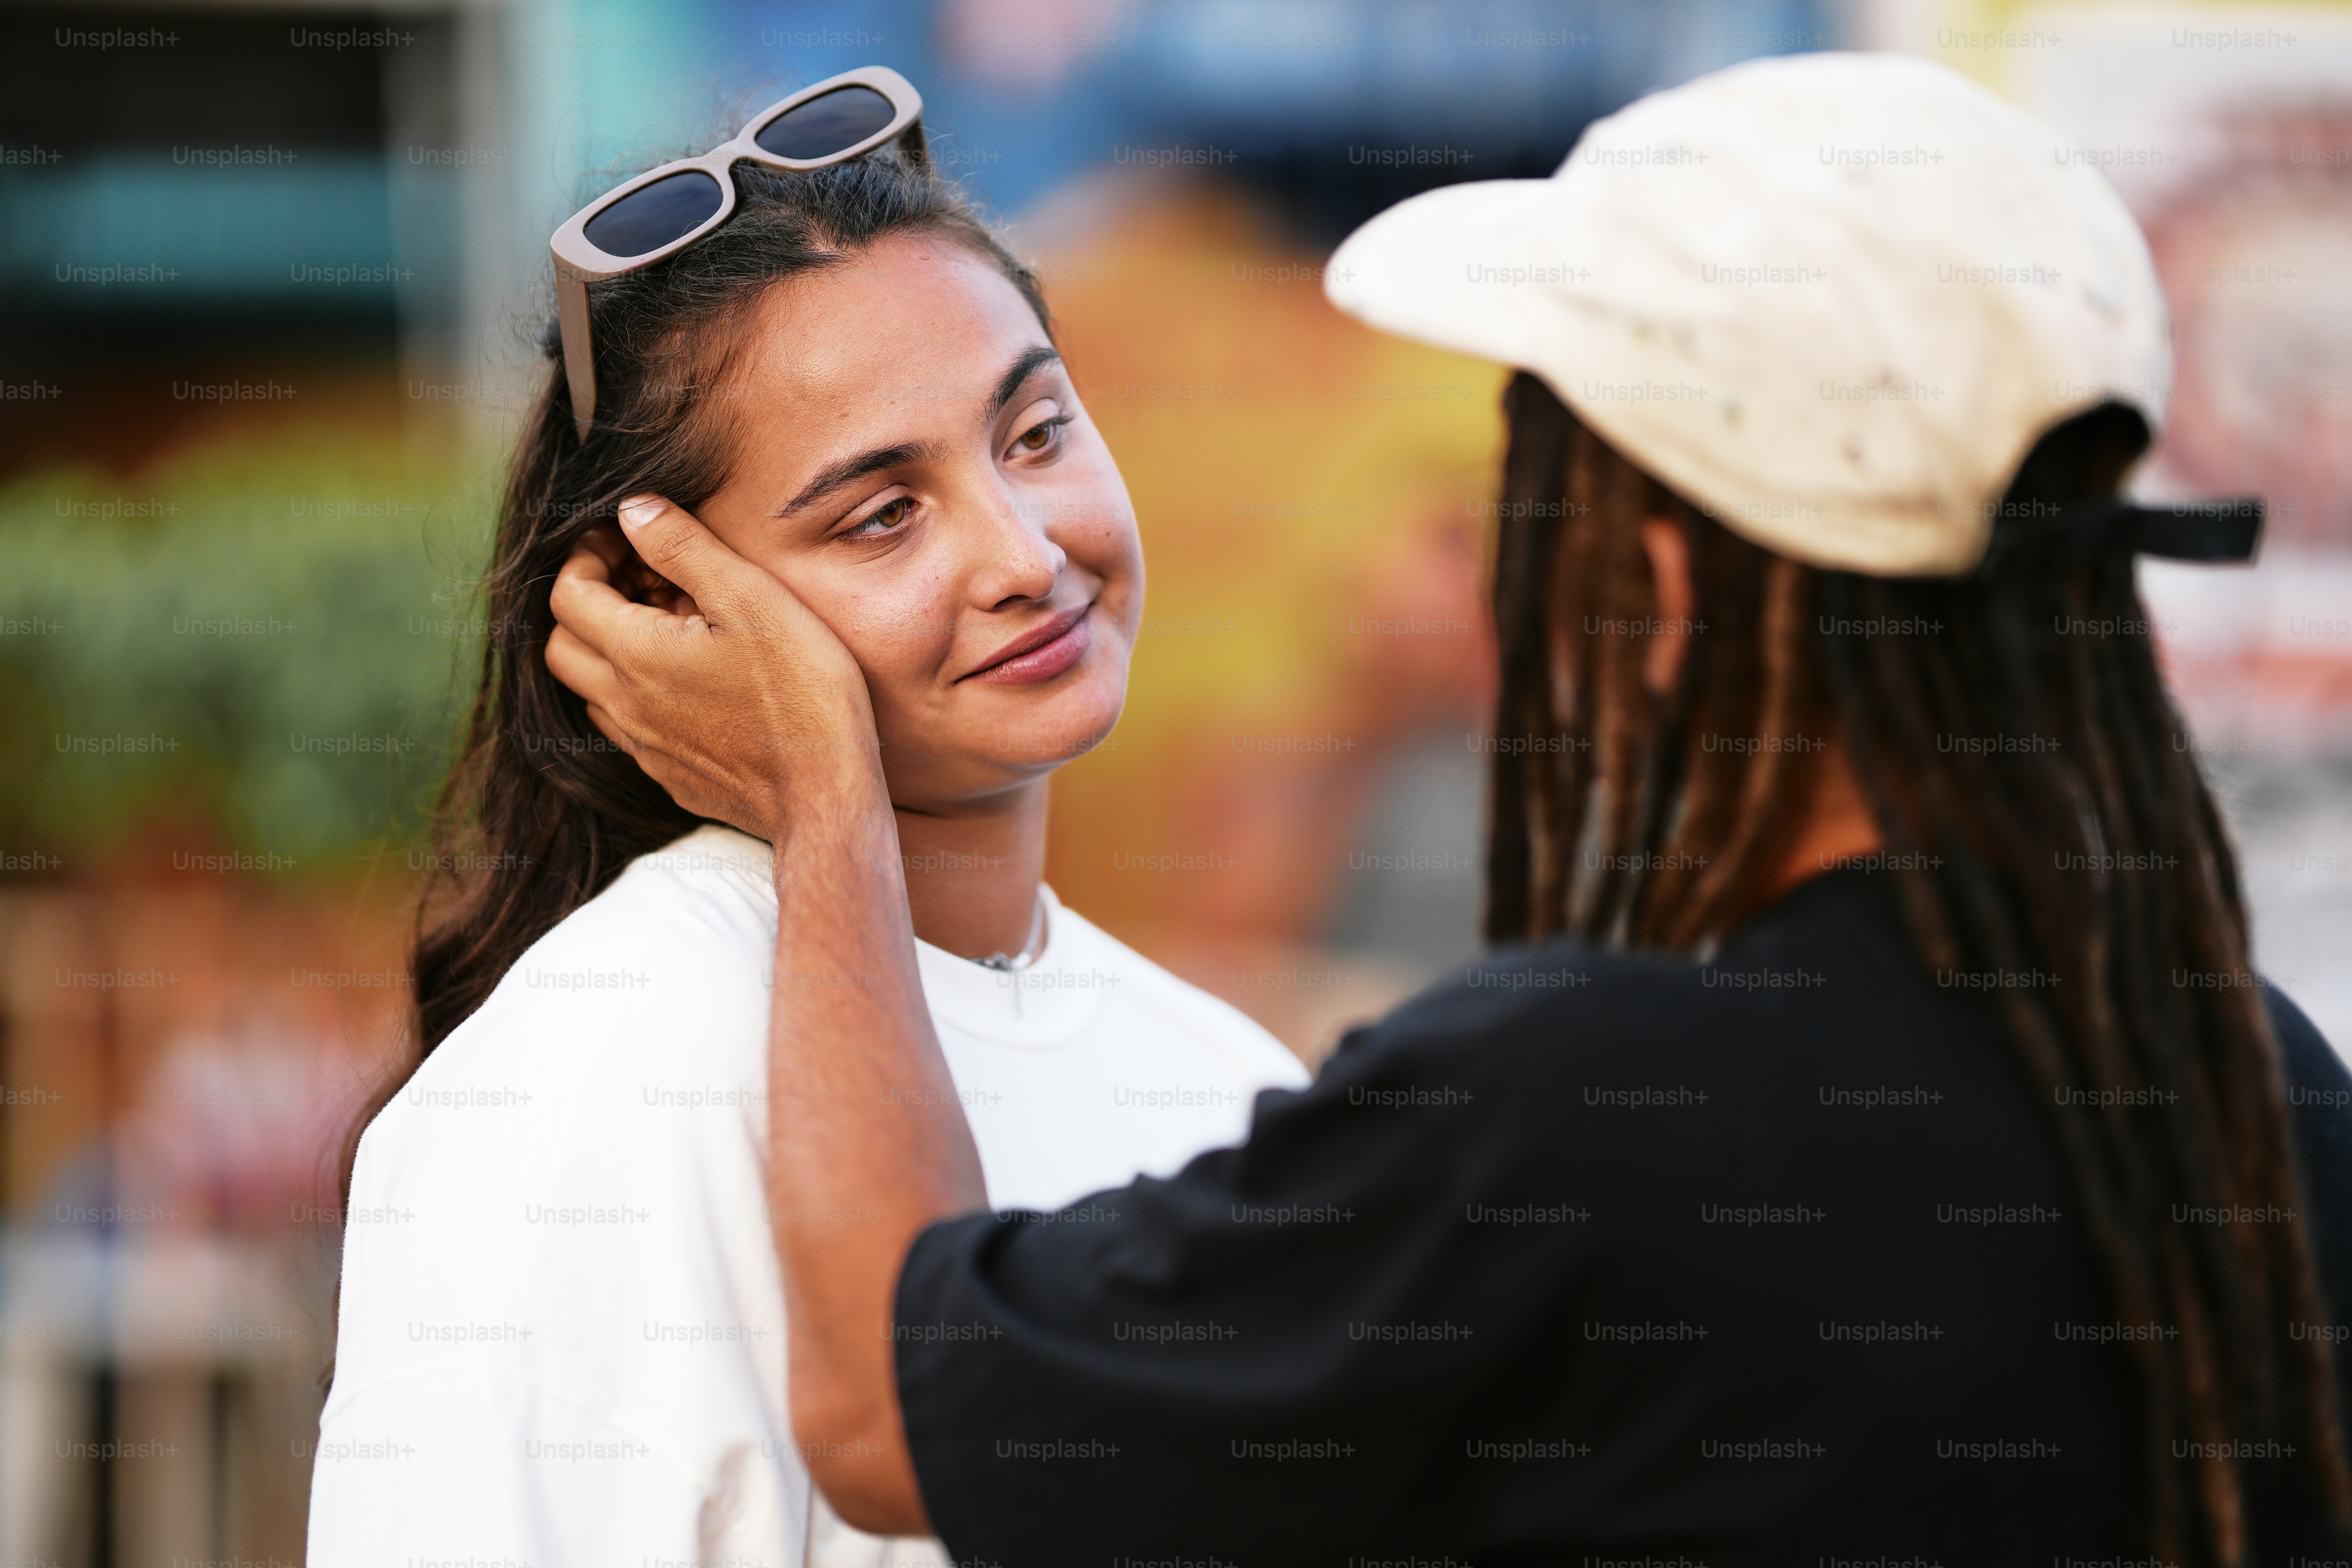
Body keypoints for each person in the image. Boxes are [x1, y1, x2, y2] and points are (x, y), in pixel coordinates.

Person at [546, 52, 2352, 1566]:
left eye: (1532, 490)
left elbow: (879, 1391)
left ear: (1650, 574)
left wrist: (825, 809)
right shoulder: (2258, 1091)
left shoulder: (1586, 1108)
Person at [306, 70, 1306, 1568]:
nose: (1025, 553)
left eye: (1033, 432)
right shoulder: (596, 1070)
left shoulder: (1232, 1081)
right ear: (670, 608)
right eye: (880, 511)